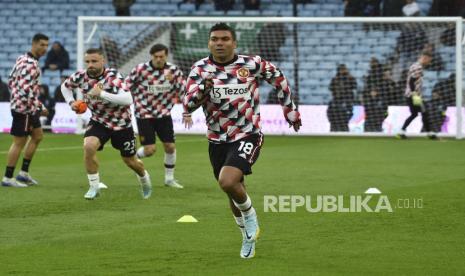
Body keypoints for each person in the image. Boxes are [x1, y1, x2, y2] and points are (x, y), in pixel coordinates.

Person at [183, 23, 301, 259]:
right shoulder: (200, 69)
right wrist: (203, 90)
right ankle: (247, 238)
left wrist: (290, 110)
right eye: (214, 39)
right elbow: (188, 105)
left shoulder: (251, 64)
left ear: (234, 42)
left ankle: (251, 218)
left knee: (227, 181)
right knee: (233, 191)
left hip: (248, 134)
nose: (219, 43)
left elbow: (279, 78)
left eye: (225, 38)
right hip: (217, 139)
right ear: (209, 43)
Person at [60, 48, 152, 200]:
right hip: (99, 121)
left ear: (103, 61)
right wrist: (71, 102)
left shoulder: (113, 76)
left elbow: (128, 99)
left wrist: (102, 94)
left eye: (94, 61)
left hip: (122, 124)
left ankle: (144, 179)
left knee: (130, 161)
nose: (90, 65)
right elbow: (65, 86)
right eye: (88, 61)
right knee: (89, 146)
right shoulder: (80, 76)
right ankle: (94, 187)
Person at [126, 44, 189, 189]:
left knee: (170, 146)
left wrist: (187, 112)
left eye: (162, 56)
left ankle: (169, 179)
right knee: (149, 150)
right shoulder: (141, 70)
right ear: (151, 56)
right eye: (156, 57)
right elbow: (126, 86)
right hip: (144, 114)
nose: (159, 59)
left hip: (164, 114)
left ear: (166, 56)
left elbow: (183, 92)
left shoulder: (173, 71)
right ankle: (132, 159)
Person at [2, 33, 49, 187]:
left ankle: (23, 174)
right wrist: (40, 107)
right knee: (18, 142)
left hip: (25, 106)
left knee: (37, 136)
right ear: (34, 44)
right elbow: (24, 90)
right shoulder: (30, 64)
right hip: (24, 108)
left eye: (46, 45)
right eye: (42, 45)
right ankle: (8, 178)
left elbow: (10, 80)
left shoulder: (22, 59)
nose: (45, 48)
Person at [397, 49, 437, 139]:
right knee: (424, 112)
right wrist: (415, 95)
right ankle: (429, 133)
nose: (429, 62)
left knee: (415, 114)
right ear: (425, 58)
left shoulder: (415, 65)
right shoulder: (418, 67)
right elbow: (411, 81)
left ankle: (401, 131)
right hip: (413, 96)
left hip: (410, 95)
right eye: (429, 60)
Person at [327, 64, 356, 132]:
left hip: (346, 100)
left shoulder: (350, 78)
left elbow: (355, 86)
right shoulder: (335, 79)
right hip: (337, 102)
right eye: (342, 69)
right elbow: (330, 88)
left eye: (344, 69)